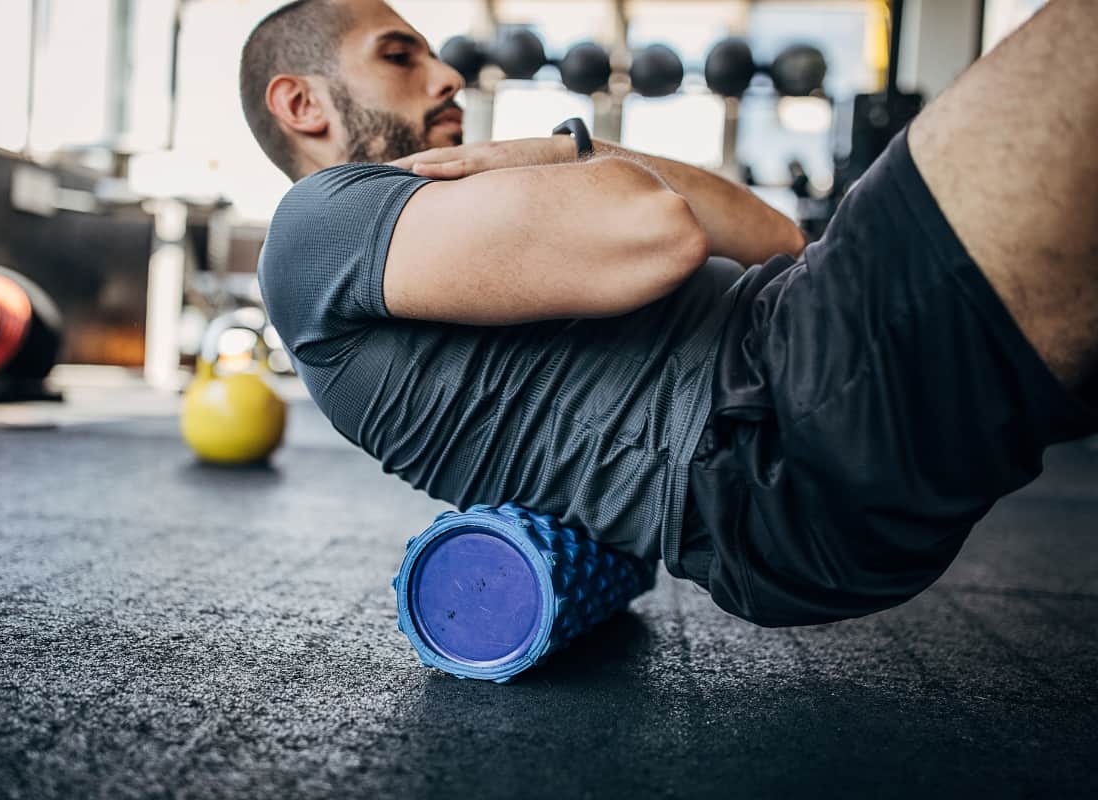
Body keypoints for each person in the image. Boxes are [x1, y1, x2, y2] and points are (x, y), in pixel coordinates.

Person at [240, 0, 1097, 626]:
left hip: (792, 370)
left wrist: (571, 150)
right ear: (302, 105)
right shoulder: (321, 220)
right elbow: (655, 232)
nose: (448, 75)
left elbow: (772, 238)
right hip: (772, 434)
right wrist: (561, 151)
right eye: (399, 57)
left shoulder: (409, 224)